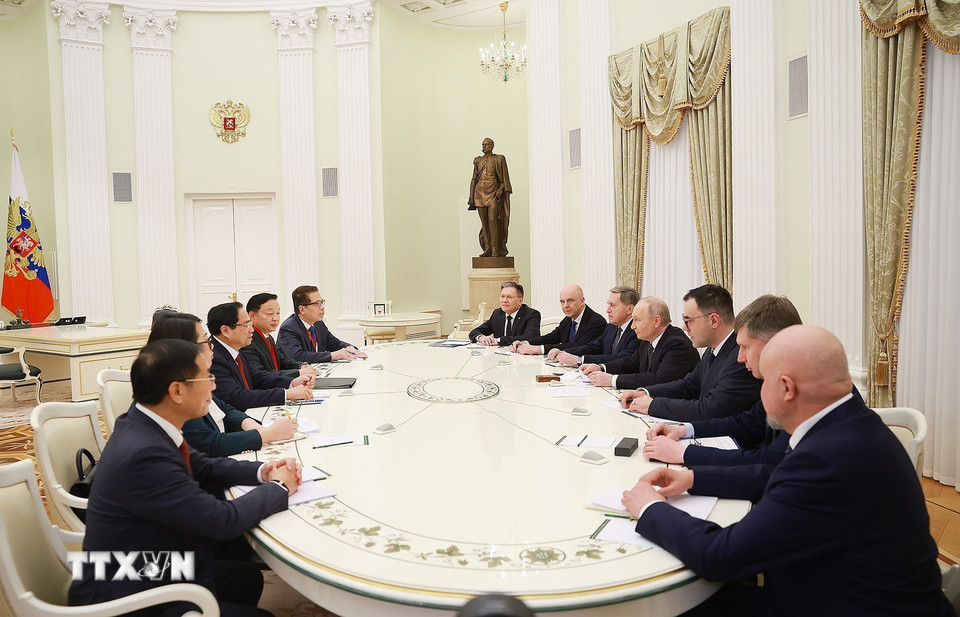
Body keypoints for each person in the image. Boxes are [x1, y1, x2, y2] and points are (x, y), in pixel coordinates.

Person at [621, 326, 954, 617]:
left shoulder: (825, 459)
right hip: (848, 587)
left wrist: (651, 508)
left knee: (663, 608)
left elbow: (719, 556)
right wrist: (693, 478)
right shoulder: (850, 422)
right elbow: (773, 474)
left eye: (763, 382)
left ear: (786, 388)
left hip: (842, 603)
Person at [69, 339, 302, 617]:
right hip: (127, 585)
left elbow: (204, 467)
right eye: (207, 377)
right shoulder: (144, 454)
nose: (214, 386)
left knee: (246, 578)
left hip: (145, 560)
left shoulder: (146, 421)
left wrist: (264, 470)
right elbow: (222, 521)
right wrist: (279, 486)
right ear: (177, 391)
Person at [640, 295, 803, 467]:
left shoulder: (799, 391)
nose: (740, 357)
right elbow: (746, 423)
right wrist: (683, 430)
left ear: (774, 345)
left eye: (746, 347)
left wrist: (685, 454)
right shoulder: (776, 382)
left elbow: (769, 462)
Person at [150, 312, 298, 457]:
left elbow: (224, 408)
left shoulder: (190, 376)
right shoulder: (175, 390)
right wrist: (267, 434)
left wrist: (247, 422)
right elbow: (209, 444)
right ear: (182, 348)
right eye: (206, 342)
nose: (212, 347)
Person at [618, 285, 760, 421]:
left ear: (714, 320)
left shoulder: (741, 357)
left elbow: (710, 409)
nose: (684, 328)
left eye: (688, 320)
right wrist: (644, 393)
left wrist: (652, 405)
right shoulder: (713, 350)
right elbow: (688, 385)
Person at [209, 302, 314, 411]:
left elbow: (257, 378)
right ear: (225, 330)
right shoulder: (213, 358)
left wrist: (292, 383)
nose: (252, 330)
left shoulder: (236, 351)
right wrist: (286, 394)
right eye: (246, 325)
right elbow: (236, 397)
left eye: (250, 324)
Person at [580, 296, 699, 388]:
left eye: (637, 320)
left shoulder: (677, 344)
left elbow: (658, 379)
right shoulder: (647, 340)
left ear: (656, 321)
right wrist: (601, 368)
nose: (632, 326)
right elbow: (630, 363)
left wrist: (612, 380)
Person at [550, 286, 642, 367]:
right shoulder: (611, 327)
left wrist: (579, 360)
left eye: (613, 305)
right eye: (608, 305)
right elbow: (593, 347)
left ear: (630, 309)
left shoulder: (638, 331)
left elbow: (621, 359)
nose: (608, 310)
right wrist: (564, 352)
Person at [277, 285, 367, 364]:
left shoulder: (318, 324)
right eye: (317, 304)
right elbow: (297, 357)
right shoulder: (288, 328)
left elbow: (334, 343)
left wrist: (349, 348)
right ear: (302, 309)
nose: (323, 307)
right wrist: (332, 356)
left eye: (322, 302)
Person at [511, 284, 606, 355]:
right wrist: (526, 343)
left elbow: (578, 346)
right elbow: (551, 337)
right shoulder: (568, 320)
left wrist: (540, 349)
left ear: (582, 301)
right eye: (562, 302)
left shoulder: (596, 322)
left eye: (570, 300)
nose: (565, 306)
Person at [241, 292, 319, 378]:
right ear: (252, 316)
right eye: (270, 314)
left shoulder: (268, 337)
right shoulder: (248, 341)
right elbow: (259, 375)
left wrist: (301, 366)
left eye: (278, 313)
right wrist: (298, 373)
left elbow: (281, 361)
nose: (275, 318)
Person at [467, 137, 512, 258]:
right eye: (483, 144)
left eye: (486, 144)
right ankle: (487, 248)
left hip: (492, 193)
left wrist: (501, 189)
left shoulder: (499, 159)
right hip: (479, 193)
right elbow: (474, 179)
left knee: (493, 220)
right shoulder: (478, 161)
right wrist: (471, 196)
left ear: (492, 146)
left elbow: (504, 180)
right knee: (484, 223)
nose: (484, 146)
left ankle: (495, 249)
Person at [469, 281, 541, 346]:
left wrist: (499, 341)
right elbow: (474, 332)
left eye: (510, 297)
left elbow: (531, 337)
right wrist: (481, 337)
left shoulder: (531, 314)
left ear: (520, 301)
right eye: (502, 296)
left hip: (522, 354)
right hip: (498, 354)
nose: (504, 300)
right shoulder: (497, 314)